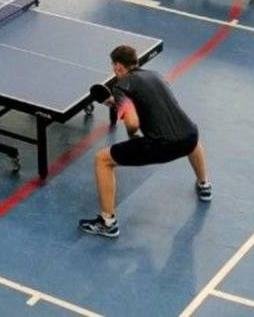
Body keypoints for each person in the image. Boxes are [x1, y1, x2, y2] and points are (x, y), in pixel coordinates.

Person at [79, 45, 212, 239]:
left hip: (162, 145)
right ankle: (204, 185)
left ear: (118, 66)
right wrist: (118, 105)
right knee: (187, 133)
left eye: (113, 66)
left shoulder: (121, 86)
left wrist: (131, 132)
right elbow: (151, 104)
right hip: (190, 136)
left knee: (102, 159)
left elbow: (132, 123)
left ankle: (107, 223)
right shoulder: (155, 75)